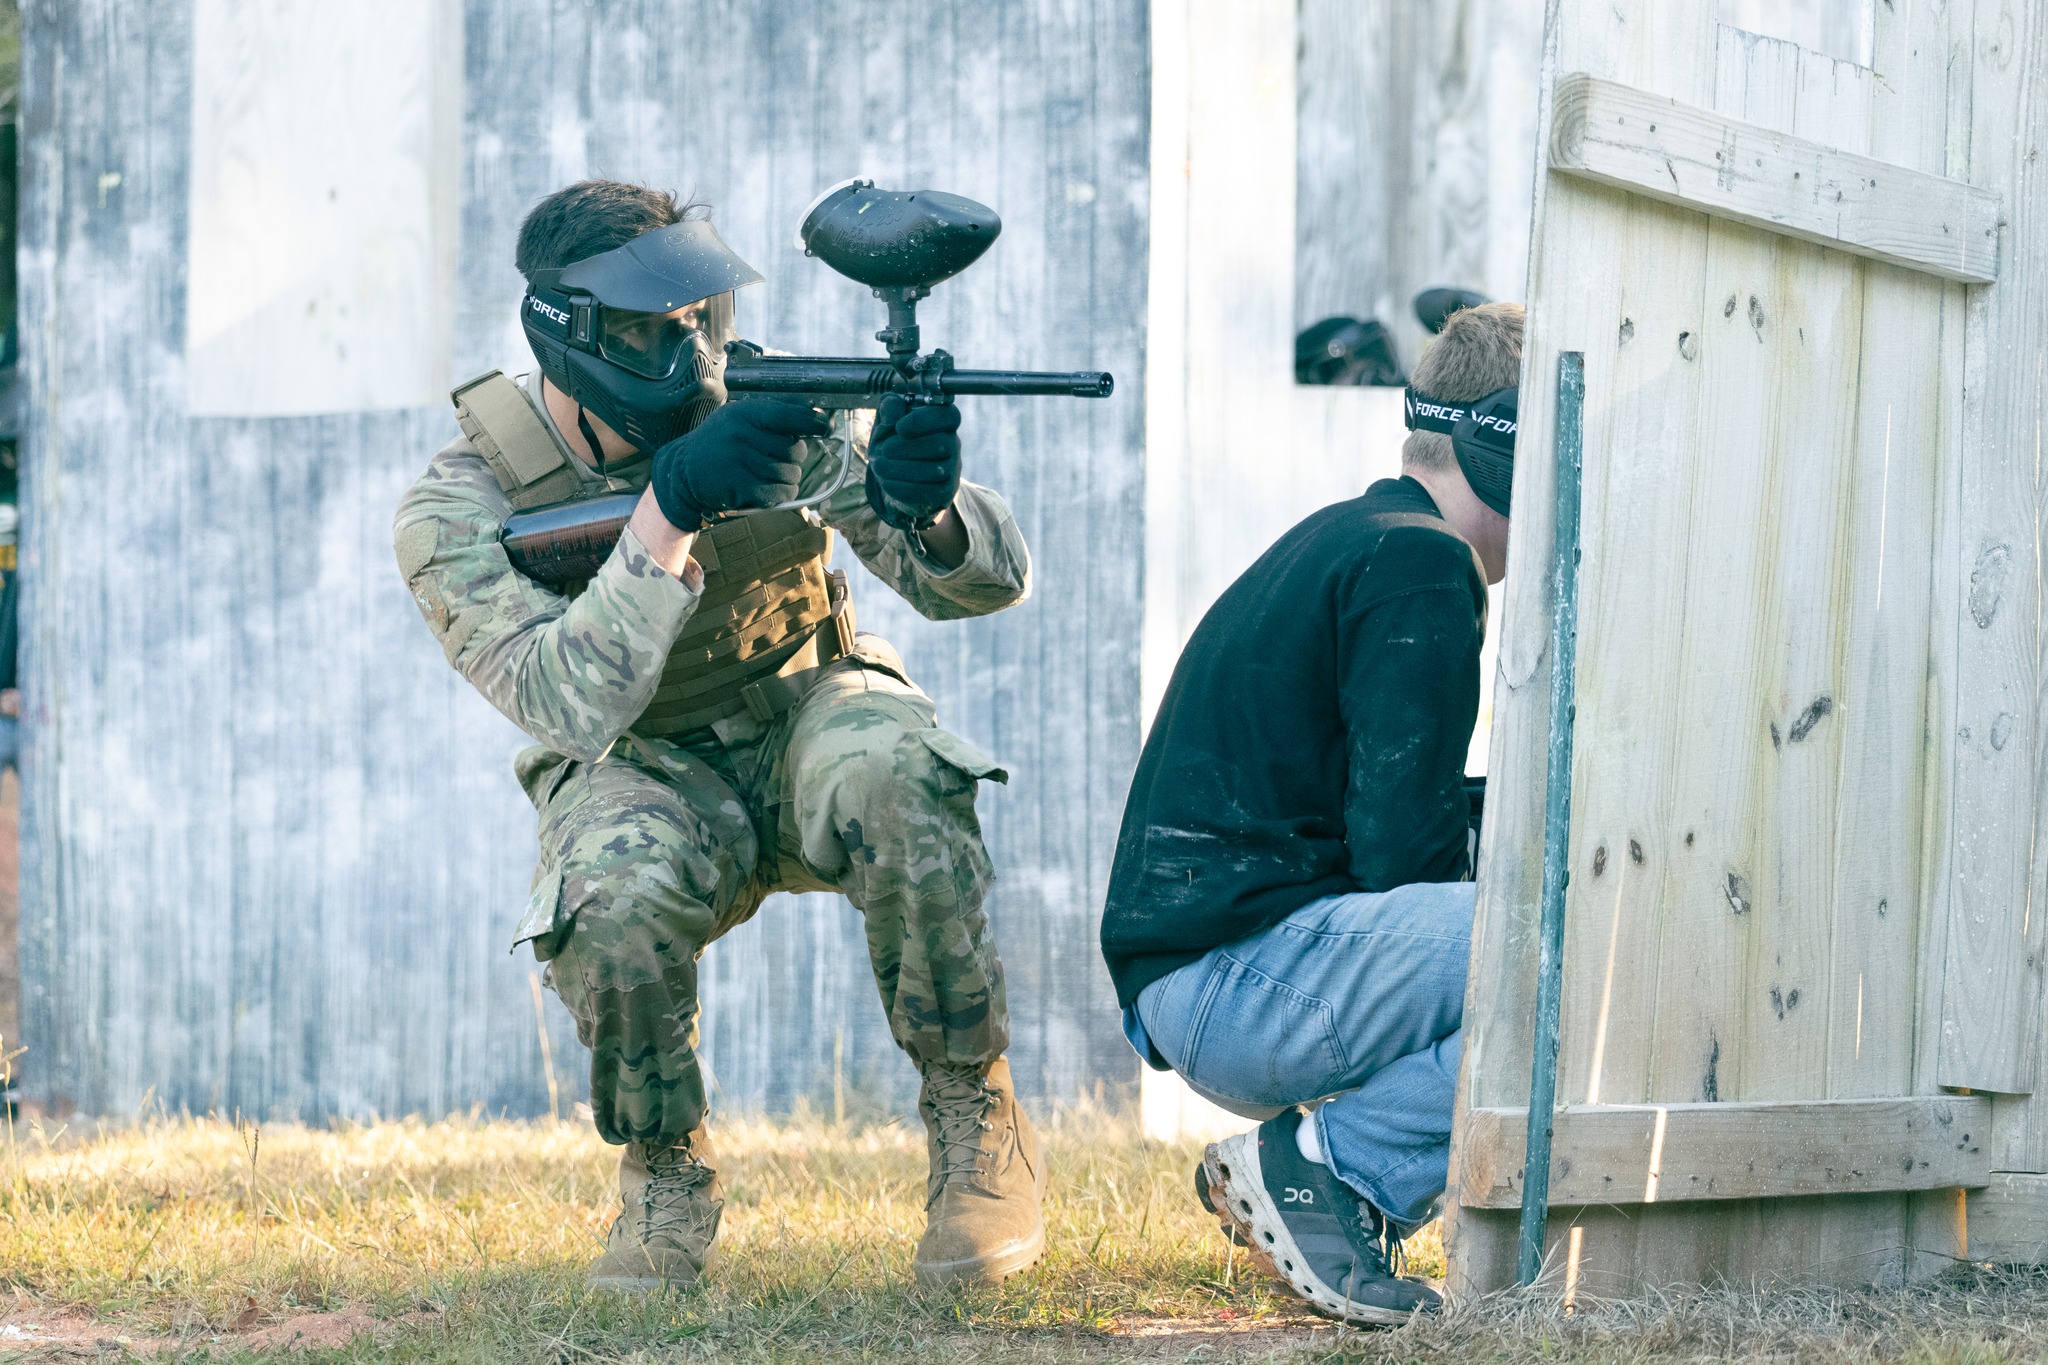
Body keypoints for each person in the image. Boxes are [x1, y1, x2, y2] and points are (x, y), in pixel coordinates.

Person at [394, 181, 1045, 1292]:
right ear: (579, 335)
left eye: (704, 317)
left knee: (896, 767)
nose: (695, 349)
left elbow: (977, 588)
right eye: (659, 327)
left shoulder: (769, 406)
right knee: (605, 892)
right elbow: (567, 703)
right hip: (640, 765)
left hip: (807, 714)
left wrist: (923, 504)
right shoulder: (460, 505)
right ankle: (663, 1172)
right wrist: (670, 507)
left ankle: (972, 1112)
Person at [1099, 303, 1523, 1324]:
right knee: (1553, 951)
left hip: (1204, 980)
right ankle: (1332, 1171)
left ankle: (1313, 1185)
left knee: (1530, 940)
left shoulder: (1356, 535)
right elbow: (1401, 853)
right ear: (1507, 447)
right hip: (1235, 984)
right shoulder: (1421, 563)